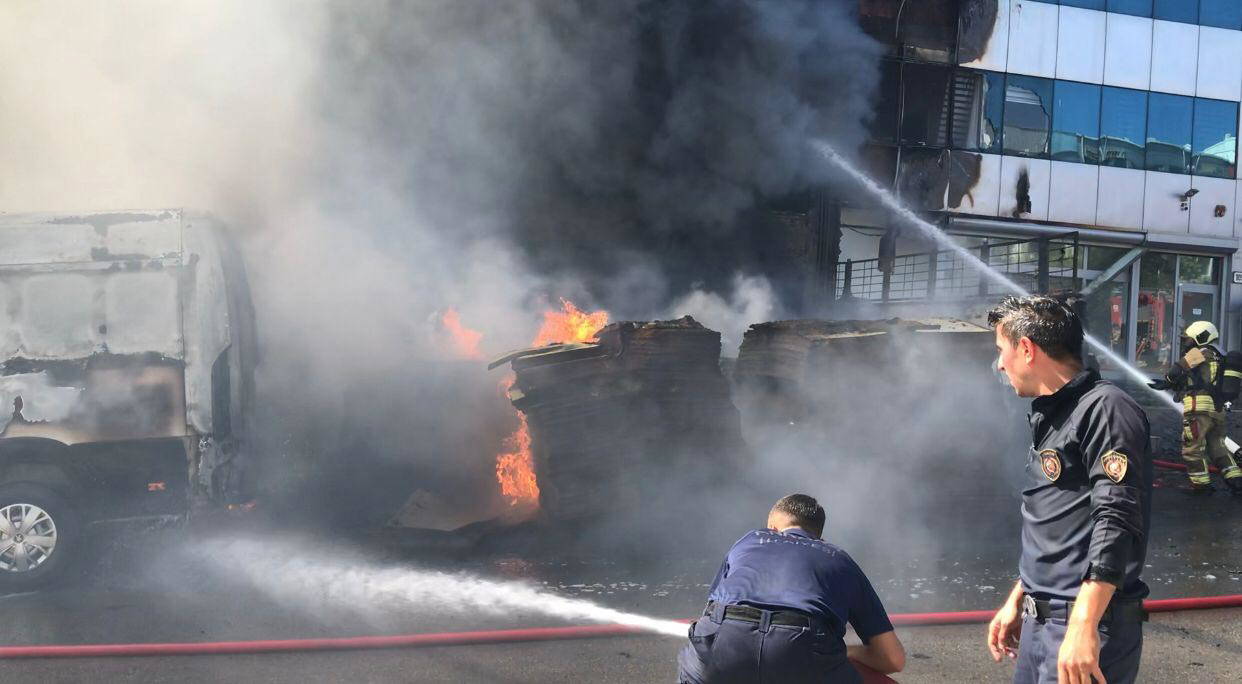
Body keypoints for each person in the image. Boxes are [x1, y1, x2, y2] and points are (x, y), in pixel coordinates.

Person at [986, 295, 1151, 684]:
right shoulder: (1054, 413)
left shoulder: (1106, 409)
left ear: (1027, 350)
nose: (999, 364)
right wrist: (1021, 597)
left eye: (1001, 350)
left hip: (1083, 623)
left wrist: (1084, 623)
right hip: (1042, 622)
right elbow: (1060, 522)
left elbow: (1116, 518)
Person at [677, 494, 904, 684]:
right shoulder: (839, 559)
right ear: (819, 537)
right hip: (803, 651)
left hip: (721, 644)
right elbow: (892, 659)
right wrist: (849, 652)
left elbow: (709, 609)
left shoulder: (748, 541)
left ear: (772, 528)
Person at [1148, 321, 1242, 495]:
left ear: (1200, 337)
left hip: (1198, 409)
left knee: (1192, 448)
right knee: (1218, 447)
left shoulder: (1199, 352)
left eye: (1189, 339)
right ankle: (1236, 481)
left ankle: (1201, 486)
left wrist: (1166, 381)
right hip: (1217, 410)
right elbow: (1202, 380)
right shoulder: (1220, 356)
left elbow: (1177, 370)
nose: (1187, 343)